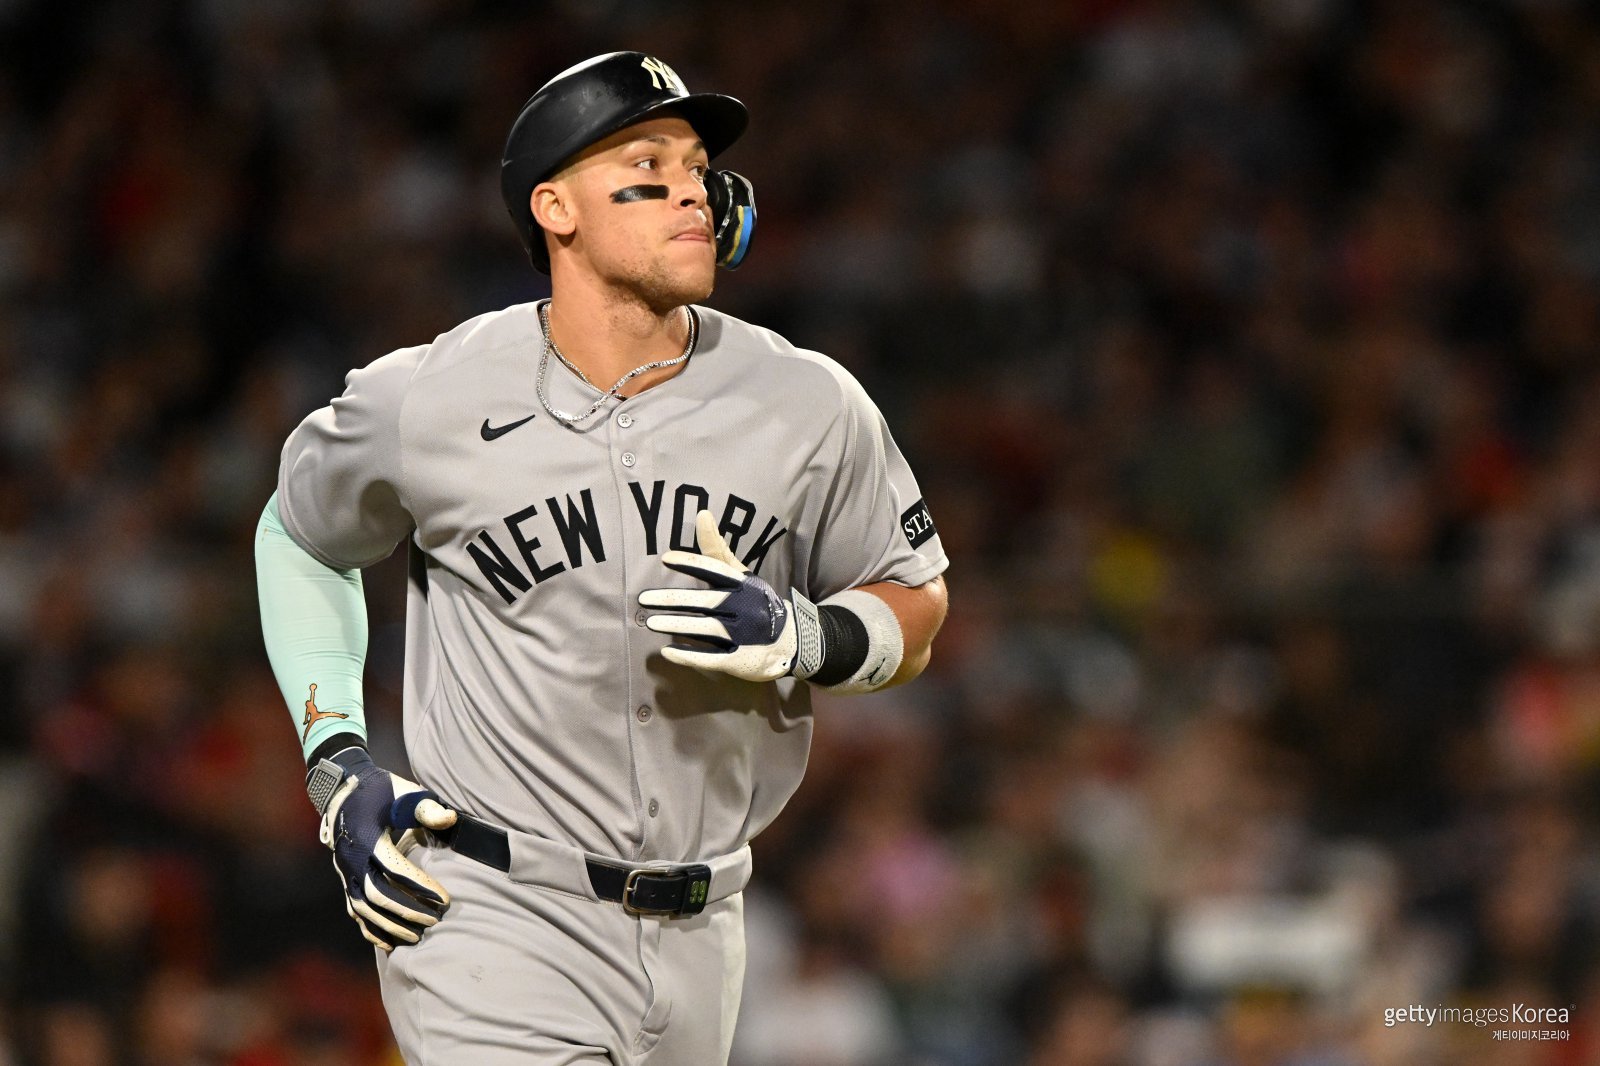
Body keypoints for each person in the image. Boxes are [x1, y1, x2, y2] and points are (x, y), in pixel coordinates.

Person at [254, 50, 948, 1065]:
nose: (692, 192)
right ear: (555, 208)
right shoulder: (428, 396)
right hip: (494, 910)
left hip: (708, 923)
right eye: (648, 167)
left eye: (699, 169)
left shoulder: (808, 402)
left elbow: (917, 602)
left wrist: (812, 635)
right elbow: (298, 537)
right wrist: (336, 760)